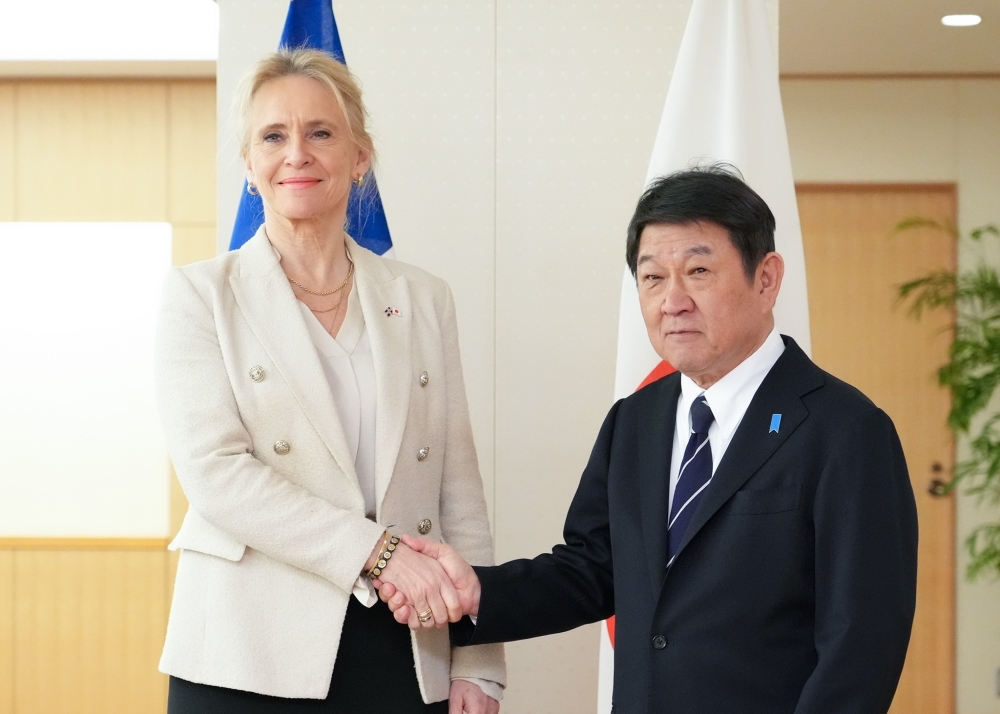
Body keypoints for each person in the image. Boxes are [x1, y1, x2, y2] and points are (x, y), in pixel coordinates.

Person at [380, 165, 919, 713]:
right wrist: (479, 590)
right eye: (652, 277)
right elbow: (593, 569)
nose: (673, 300)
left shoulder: (846, 431)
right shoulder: (635, 421)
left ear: (767, 278)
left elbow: (862, 644)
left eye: (699, 271)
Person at [154, 48, 504, 714]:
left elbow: (457, 490)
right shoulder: (199, 296)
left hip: (404, 639)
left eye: (320, 132)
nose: (297, 153)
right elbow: (218, 475)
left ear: (359, 155)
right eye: (273, 136)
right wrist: (378, 551)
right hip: (244, 648)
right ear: (250, 166)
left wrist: (481, 661)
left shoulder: (424, 298)